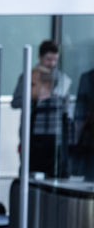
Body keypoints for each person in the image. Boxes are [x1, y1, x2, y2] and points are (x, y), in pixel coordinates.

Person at [11, 40, 73, 177]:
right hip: (33, 135)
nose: (51, 63)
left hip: (54, 136)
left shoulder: (62, 79)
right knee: (31, 173)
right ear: (40, 57)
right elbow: (15, 102)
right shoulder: (28, 77)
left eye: (54, 60)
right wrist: (34, 98)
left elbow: (66, 109)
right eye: (48, 59)